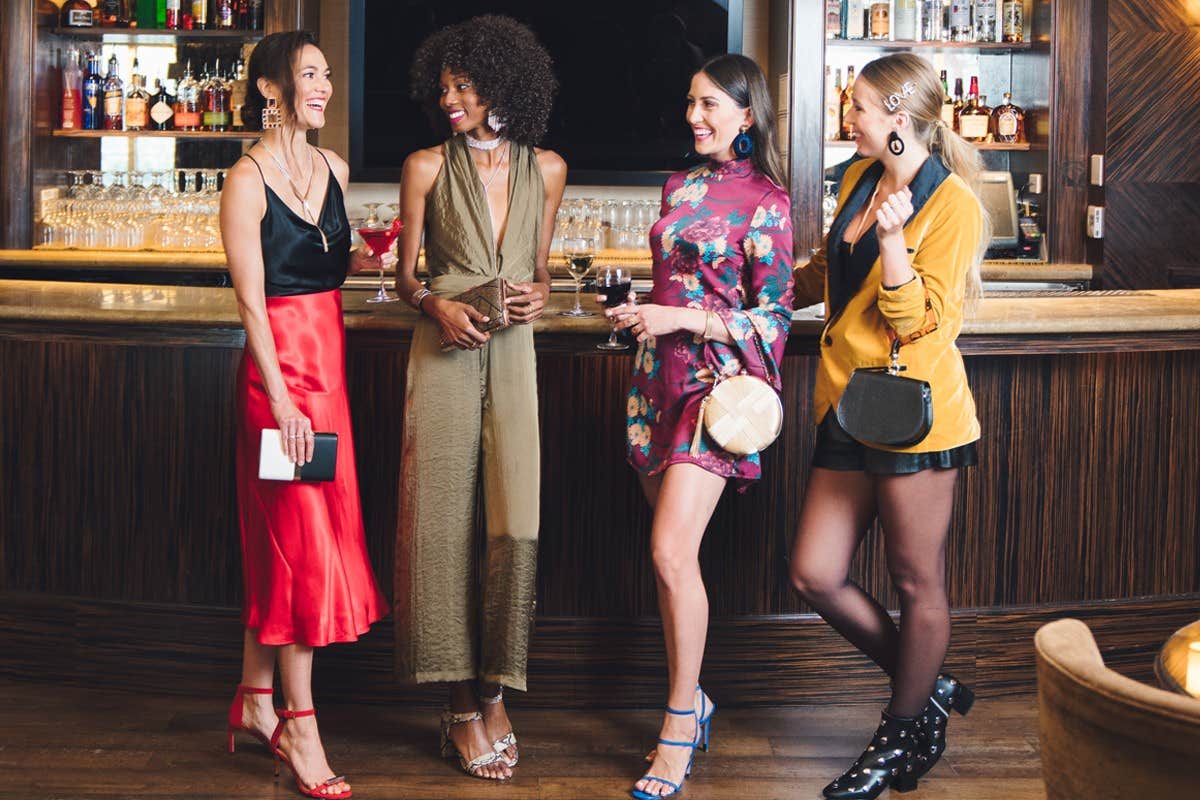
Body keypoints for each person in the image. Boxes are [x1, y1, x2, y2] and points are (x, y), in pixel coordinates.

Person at [788, 52, 990, 800]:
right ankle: (929, 686)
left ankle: (902, 732)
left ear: (900, 118)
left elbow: (921, 324)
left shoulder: (953, 204)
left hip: (915, 415)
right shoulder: (856, 177)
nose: (852, 117)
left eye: (862, 107)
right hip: (846, 402)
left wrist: (897, 240)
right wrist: (765, 287)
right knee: (814, 572)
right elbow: (828, 270)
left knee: (916, 581)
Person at [605, 53, 793, 800]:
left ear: (748, 115)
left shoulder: (768, 201)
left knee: (670, 552)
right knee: (670, 562)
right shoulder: (678, 184)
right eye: (691, 103)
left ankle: (679, 722)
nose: (696, 118)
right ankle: (698, 699)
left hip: (716, 398)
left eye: (712, 105)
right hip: (658, 384)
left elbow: (773, 320)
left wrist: (679, 316)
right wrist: (639, 320)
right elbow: (668, 287)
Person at [391, 15, 566, 782]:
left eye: (463, 85)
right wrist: (437, 305)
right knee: (441, 529)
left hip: (515, 357)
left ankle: (496, 686)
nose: (450, 98)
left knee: (513, 525)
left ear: (503, 86)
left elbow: (543, 272)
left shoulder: (549, 168)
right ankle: (462, 704)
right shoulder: (426, 165)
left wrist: (539, 295)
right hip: (444, 355)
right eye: (446, 86)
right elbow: (403, 279)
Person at [219, 30, 390, 800]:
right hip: (277, 384)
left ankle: (256, 699)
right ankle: (300, 724)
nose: (323, 87)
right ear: (270, 89)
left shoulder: (334, 168)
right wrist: (281, 400)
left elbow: (323, 259)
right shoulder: (245, 180)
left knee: (301, 536)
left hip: (330, 379)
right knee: (302, 547)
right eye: (309, 75)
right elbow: (253, 300)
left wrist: (363, 258)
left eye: (325, 75)